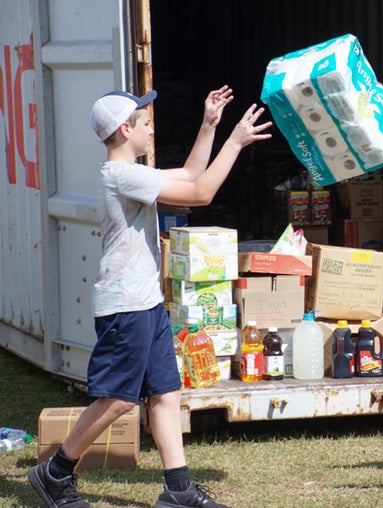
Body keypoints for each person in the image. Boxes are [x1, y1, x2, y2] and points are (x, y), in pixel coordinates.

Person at [28, 86, 272, 508]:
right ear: (126, 129)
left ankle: (178, 490)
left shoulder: (133, 173)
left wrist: (209, 125)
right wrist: (235, 142)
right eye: (145, 122)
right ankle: (55, 473)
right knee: (120, 399)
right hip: (127, 307)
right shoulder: (121, 175)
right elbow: (202, 194)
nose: (151, 128)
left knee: (165, 392)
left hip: (146, 302)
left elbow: (193, 173)